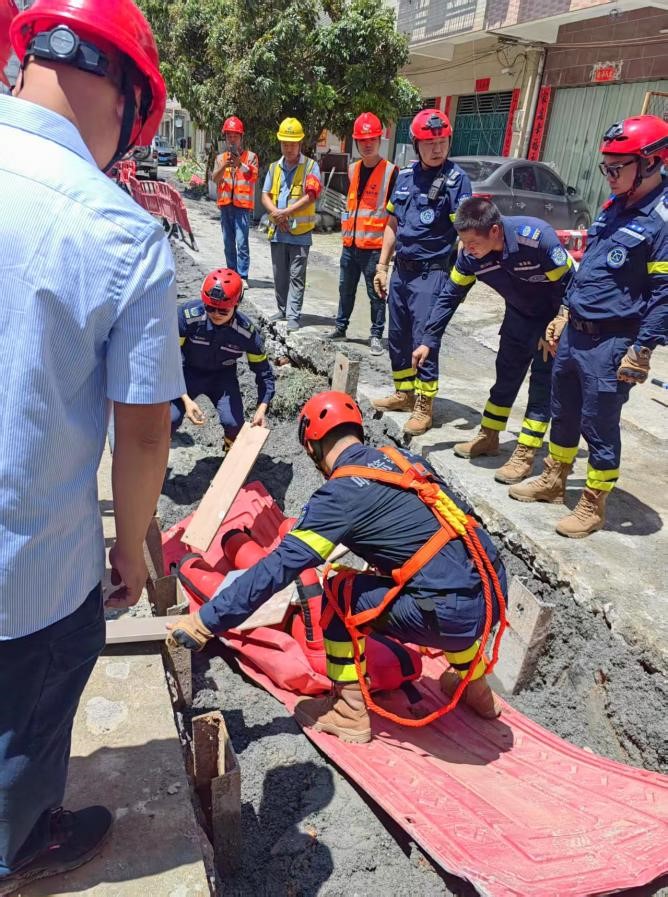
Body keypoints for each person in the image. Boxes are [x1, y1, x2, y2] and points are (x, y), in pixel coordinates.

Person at [0, 0, 185, 891]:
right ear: (124, 96)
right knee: (31, 706)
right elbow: (143, 430)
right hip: (30, 573)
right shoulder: (122, 234)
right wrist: (128, 545)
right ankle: (17, 846)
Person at [166, 391, 508, 744]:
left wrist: (205, 622)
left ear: (311, 448)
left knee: (338, 592)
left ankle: (349, 711)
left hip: (449, 614)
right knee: (440, 580)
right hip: (493, 593)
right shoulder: (404, 459)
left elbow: (278, 569)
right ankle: (477, 690)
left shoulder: (340, 494)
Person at [509, 115, 668, 537]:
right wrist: (563, 313)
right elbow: (589, 270)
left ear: (651, 163)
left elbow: (664, 293)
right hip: (576, 332)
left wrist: (642, 350)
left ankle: (594, 503)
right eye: (606, 167)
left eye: (618, 167)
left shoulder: (661, 221)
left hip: (613, 342)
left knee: (599, 423)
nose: (609, 176)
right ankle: (553, 479)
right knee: (563, 413)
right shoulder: (614, 207)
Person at [413, 197, 574, 484]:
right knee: (505, 377)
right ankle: (489, 436)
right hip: (518, 315)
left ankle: (525, 452)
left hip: (551, 320)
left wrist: (559, 326)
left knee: (541, 385)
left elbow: (570, 285)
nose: (468, 249)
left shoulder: (536, 240)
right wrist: (429, 339)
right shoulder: (470, 257)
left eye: (473, 242)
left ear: (495, 231)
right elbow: (450, 296)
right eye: (463, 242)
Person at [372, 109, 471, 436]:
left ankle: (424, 405)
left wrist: (460, 280)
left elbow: (466, 233)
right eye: (430, 143)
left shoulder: (457, 180)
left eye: (442, 142)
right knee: (398, 336)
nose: (437, 149)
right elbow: (392, 223)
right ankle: (404, 393)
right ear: (416, 144)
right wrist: (382, 266)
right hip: (401, 272)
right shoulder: (404, 177)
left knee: (424, 339)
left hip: (432, 274)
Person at [171, 268, 275, 450]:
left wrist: (262, 407)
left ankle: (229, 458)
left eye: (223, 310)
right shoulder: (187, 317)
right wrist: (186, 400)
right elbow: (167, 359)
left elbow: (264, 373)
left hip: (222, 378)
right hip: (186, 373)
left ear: (237, 304)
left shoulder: (246, 333)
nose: (216, 314)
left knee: (234, 425)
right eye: (210, 308)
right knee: (169, 419)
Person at [328, 112, 398, 355]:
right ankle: (340, 328)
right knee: (345, 289)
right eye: (362, 140)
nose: (367, 145)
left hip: (374, 247)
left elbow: (394, 217)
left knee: (376, 293)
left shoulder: (391, 172)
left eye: (372, 140)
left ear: (380, 140)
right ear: (356, 142)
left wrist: (386, 258)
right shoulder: (352, 170)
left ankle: (376, 335)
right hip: (350, 245)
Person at [261, 117, 322, 331]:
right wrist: (277, 215)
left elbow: (311, 196)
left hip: (300, 233)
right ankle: (282, 309)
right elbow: (265, 195)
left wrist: (285, 213)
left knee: (297, 275)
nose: (288, 148)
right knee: (280, 274)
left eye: (292, 144)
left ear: (300, 144)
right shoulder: (274, 168)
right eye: (285, 143)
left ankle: (294, 314)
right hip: (279, 231)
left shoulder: (311, 167)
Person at [212, 116, 259, 290]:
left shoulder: (251, 157)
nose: (232, 140)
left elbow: (253, 176)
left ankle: (243, 275)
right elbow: (215, 178)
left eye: (235, 136)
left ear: (241, 137)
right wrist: (224, 166)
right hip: (226, 206)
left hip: (242, 207)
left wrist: (240, 164)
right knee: (228, 242)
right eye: (229, 136)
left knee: (242, 242)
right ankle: (232, 273)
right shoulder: (220, 158)